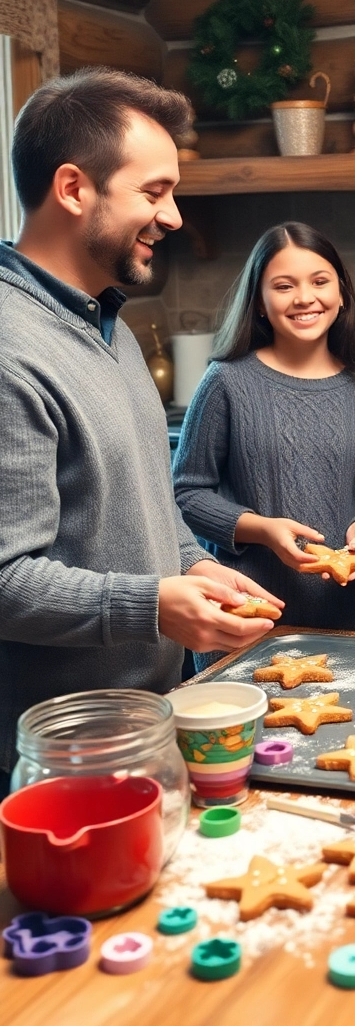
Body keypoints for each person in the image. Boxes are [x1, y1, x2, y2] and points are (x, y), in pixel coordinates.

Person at [0, 67, 282, 791]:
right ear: (73, 189)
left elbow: (142, 505)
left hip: (145, 729)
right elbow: (5, 579)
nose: (176, 215)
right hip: (58, 762)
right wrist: (154, 605)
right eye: (153, 192)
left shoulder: (110, 324)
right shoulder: (10, 349)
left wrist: (192, 565)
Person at [173, 221, 355, 655]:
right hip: (245, 617)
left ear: (341, 294)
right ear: (259, 302)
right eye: (284, 286)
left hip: (346, 616)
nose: (304, 298)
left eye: (320, 281)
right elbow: (186, 493)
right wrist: (262, 530)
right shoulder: (225, 381)